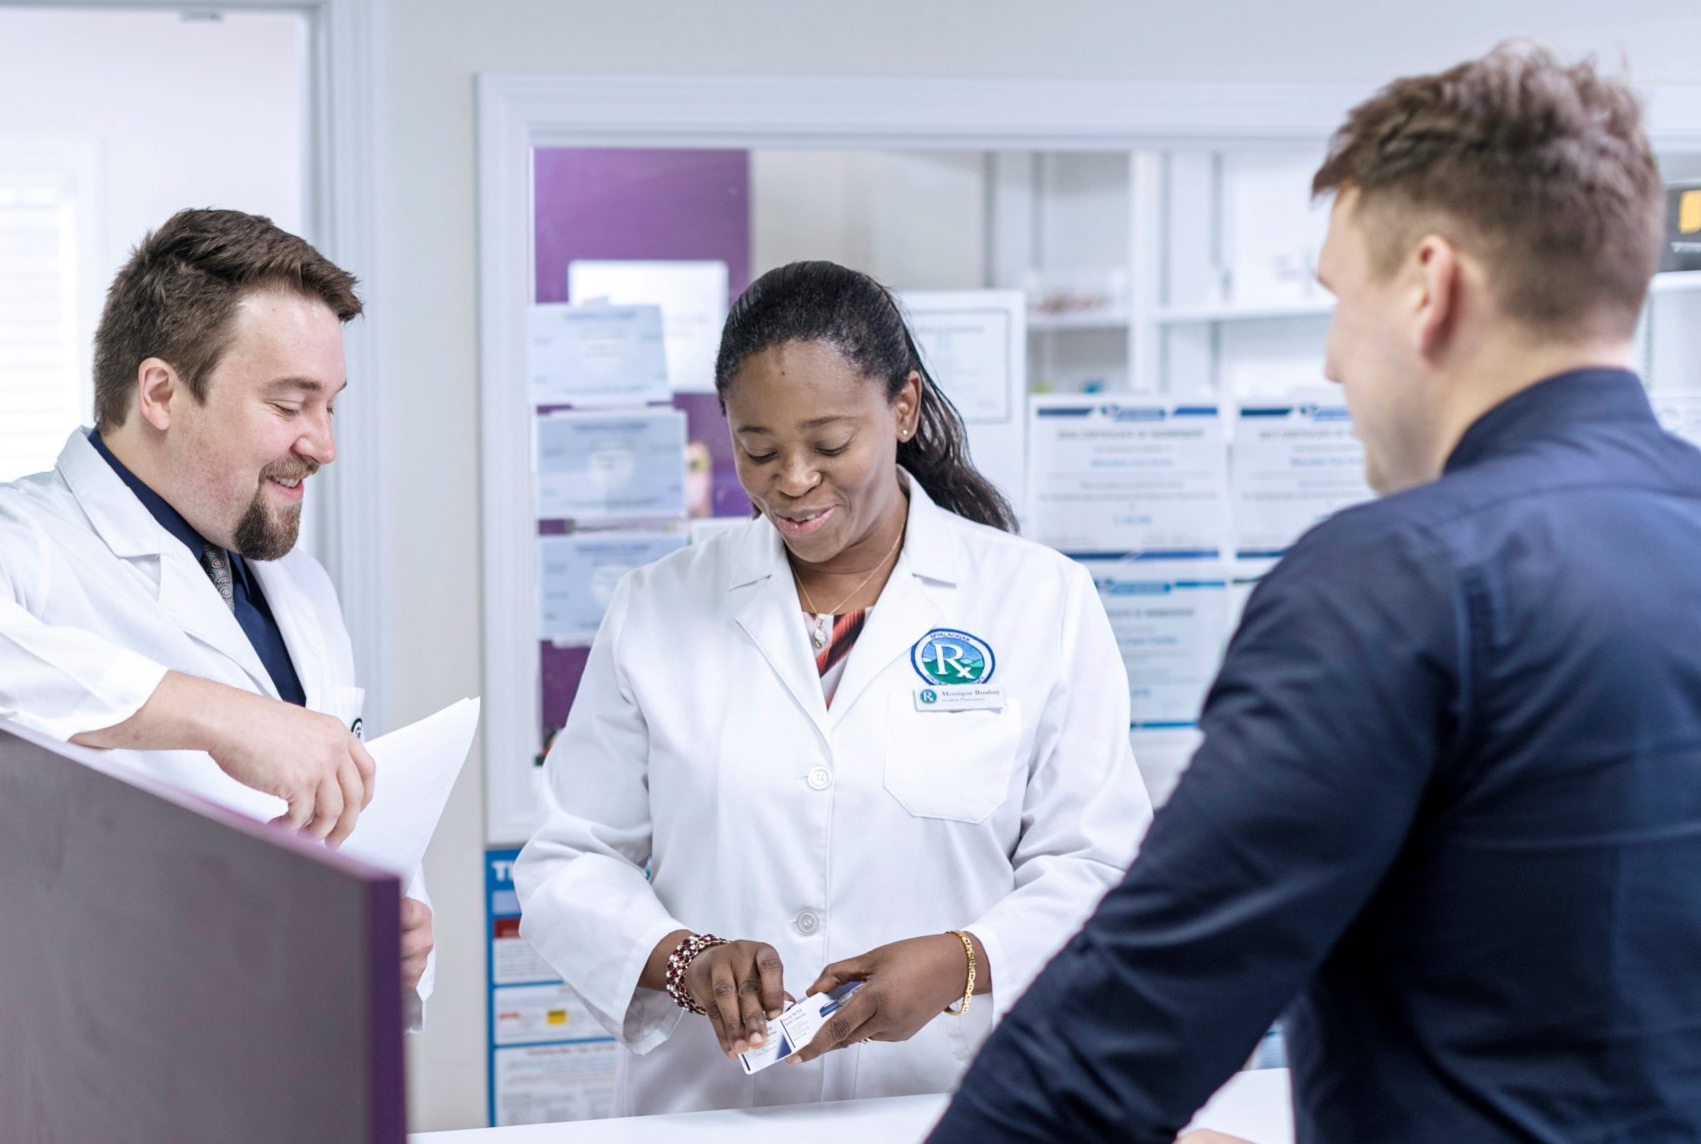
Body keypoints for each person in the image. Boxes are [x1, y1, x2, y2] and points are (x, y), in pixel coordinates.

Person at [932, 45, 1701, 1142]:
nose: (1334, 364)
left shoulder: (1396, 578)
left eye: (1339, 299)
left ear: (1429, 286)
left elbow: (1116, 1035)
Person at [514, 261, 1154, 1114]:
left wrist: (966, 959)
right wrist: (681, 956)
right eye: (759, 448)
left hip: (952, 1101)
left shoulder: (1038, 601)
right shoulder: (658, 609)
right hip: (717, 1114)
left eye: (829, 444)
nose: (793, 480)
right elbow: (569, 859)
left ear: (903, 407)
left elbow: (1102, 864)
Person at [0, 208, 431, 998]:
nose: (323, 443)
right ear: (161, 392)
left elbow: (325, 809)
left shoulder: (298, 586)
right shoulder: (14, 537)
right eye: (289, 405)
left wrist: (392, 923)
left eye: (330, 405)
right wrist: (211, 713)